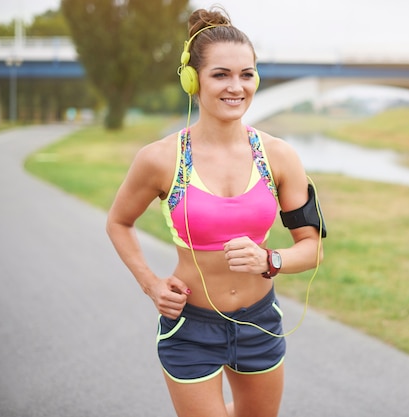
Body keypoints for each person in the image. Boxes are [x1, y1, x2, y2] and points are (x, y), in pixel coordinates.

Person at [106, 6, 324, 417]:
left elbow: (311, 246)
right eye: (220, 74)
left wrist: (270, 259)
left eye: (247, 74)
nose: (236, 87)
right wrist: (150, 283)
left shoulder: (279, 156)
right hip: (190, 325)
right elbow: (118, 222)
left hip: (259, 322)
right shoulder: (159, 159)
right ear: (193, 80)